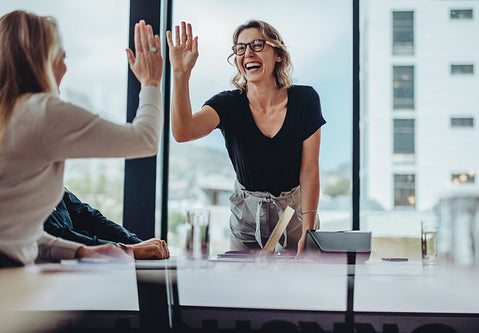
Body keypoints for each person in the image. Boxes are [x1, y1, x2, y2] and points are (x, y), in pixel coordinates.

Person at [0, 10, 163, 268]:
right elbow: (145, 140)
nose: (65, 67)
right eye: (61, 56)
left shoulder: (9, 114)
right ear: (40, 59)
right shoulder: (41, 111)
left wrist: (78, 251)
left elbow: (12, 234)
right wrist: (151, 82)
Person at [166, 20, 325, 256]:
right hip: (247, 217)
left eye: (257, 45)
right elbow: (183, 132)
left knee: (298, 286)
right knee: (244, 287)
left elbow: (310, 171)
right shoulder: (227, 104)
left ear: (278, 54)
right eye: (240, 48)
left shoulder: (305, 99)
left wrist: (308, 231)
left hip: (296, 214)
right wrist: (180, 74)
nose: (247, 53)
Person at [44, 189, 169, 260]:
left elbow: (90, 218)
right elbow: (53, 236)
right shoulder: (28, 182)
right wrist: (128, 250)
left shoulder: (51, 180)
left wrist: (137, 243)